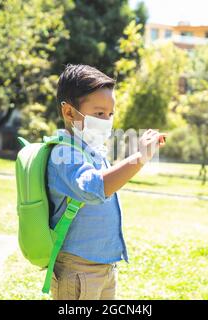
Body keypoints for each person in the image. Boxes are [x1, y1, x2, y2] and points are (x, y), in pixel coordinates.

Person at [47, 64, 166, 300]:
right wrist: (138, 157)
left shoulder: (92, 151)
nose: (107, 121)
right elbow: (93, 189)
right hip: (77, 269)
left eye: (110, 114)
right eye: (99, 113)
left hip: (104, 267)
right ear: (69, 113)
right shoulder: (64, 153)